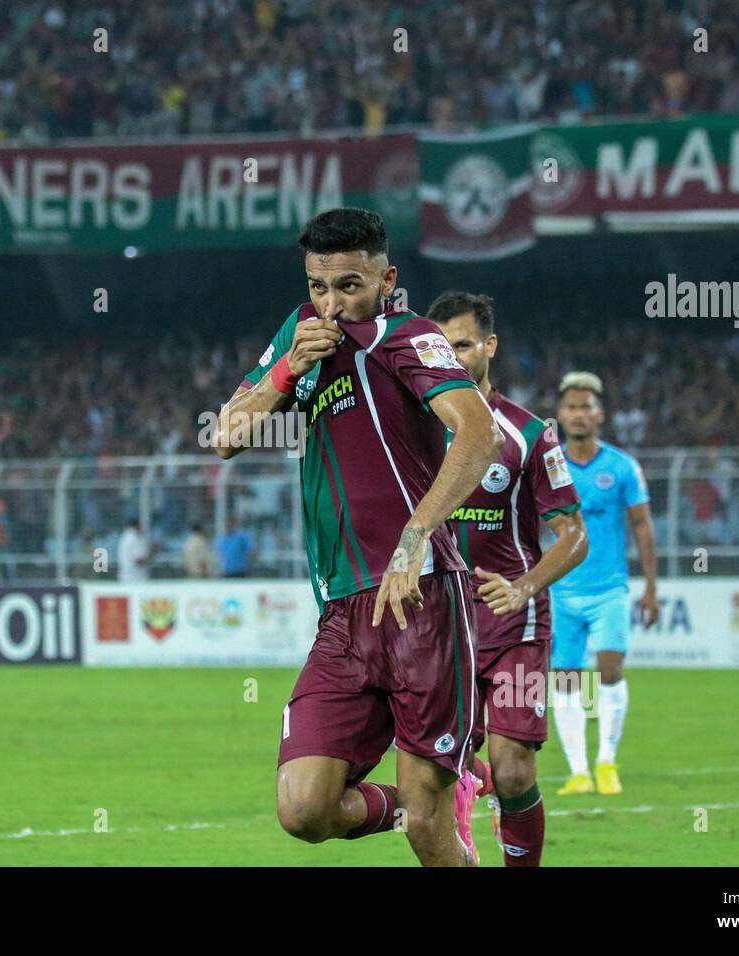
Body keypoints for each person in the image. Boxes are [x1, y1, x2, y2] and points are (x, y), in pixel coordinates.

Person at [211, 207, 503, 867]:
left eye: (349, 285)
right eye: (318, 286)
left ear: (386, 277)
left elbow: (477, 430)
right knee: (304, 808)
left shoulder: (408, 336)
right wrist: (286, 370)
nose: (332, 303)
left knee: (431, 831)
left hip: (419, 599)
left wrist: (415, 537)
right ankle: (428, 792)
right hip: (343, 614)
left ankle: (430, 800)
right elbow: (225, 435)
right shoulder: (302, 335)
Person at [428, 291, 589, 866]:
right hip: (440, 624)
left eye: (465, 344)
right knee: (439, 767)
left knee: (516, 768)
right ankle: (475, 791)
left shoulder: (528, 433)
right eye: (442, 348)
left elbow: (573, 535)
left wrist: (524, 587)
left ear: (490, 346)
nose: (454, 357)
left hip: (511, 621)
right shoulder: (415, 431)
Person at [550, 372, 659, 797]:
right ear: (560, 415)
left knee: (610, 669)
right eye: (571, 408)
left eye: (586, 407)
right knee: (565, 679)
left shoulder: (622, 466)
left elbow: (643, 527)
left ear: (600, 414)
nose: (579, 414)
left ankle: (607, 761)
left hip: (609, 589)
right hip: (560, 590)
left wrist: (651, 588)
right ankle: (578, 771)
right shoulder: (548, 464)